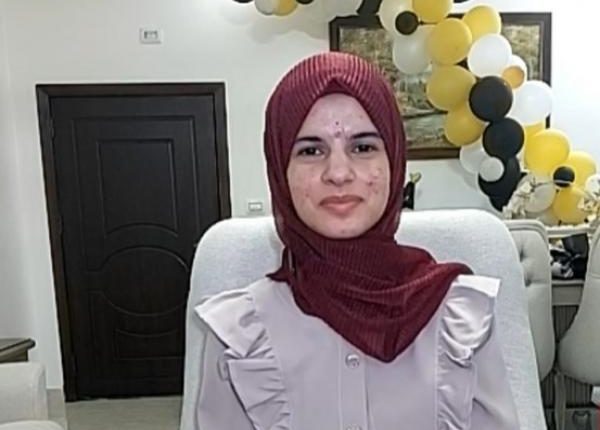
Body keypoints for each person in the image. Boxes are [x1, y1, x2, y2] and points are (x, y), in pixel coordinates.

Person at [193, 52, 520, 429]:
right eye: (310, 150)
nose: (338, 173)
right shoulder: (237, 335)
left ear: (394, 159)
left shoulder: (460, 316)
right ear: (280, 170)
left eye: (363, 147)